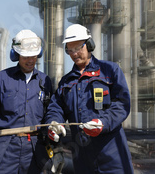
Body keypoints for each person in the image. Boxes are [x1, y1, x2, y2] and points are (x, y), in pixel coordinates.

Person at [45, 24, 134, 173]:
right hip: (83, 160)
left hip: (112, 155)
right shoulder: (66, 82)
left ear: (89, 45)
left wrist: (103, 122)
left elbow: (122, 104)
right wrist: (53, 123)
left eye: (78, 48)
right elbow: (56, 107)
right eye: (70, 50)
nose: (74, 54)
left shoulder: (110, 71)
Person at [0, 29, 53, 174]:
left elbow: (52, 114)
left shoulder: (44, 81)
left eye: (34, 56)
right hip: (6, 150)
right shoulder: (3, 79)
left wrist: (56, 148)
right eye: (26, 56)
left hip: (35, 150)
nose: (31, 60)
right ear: (16, 55)